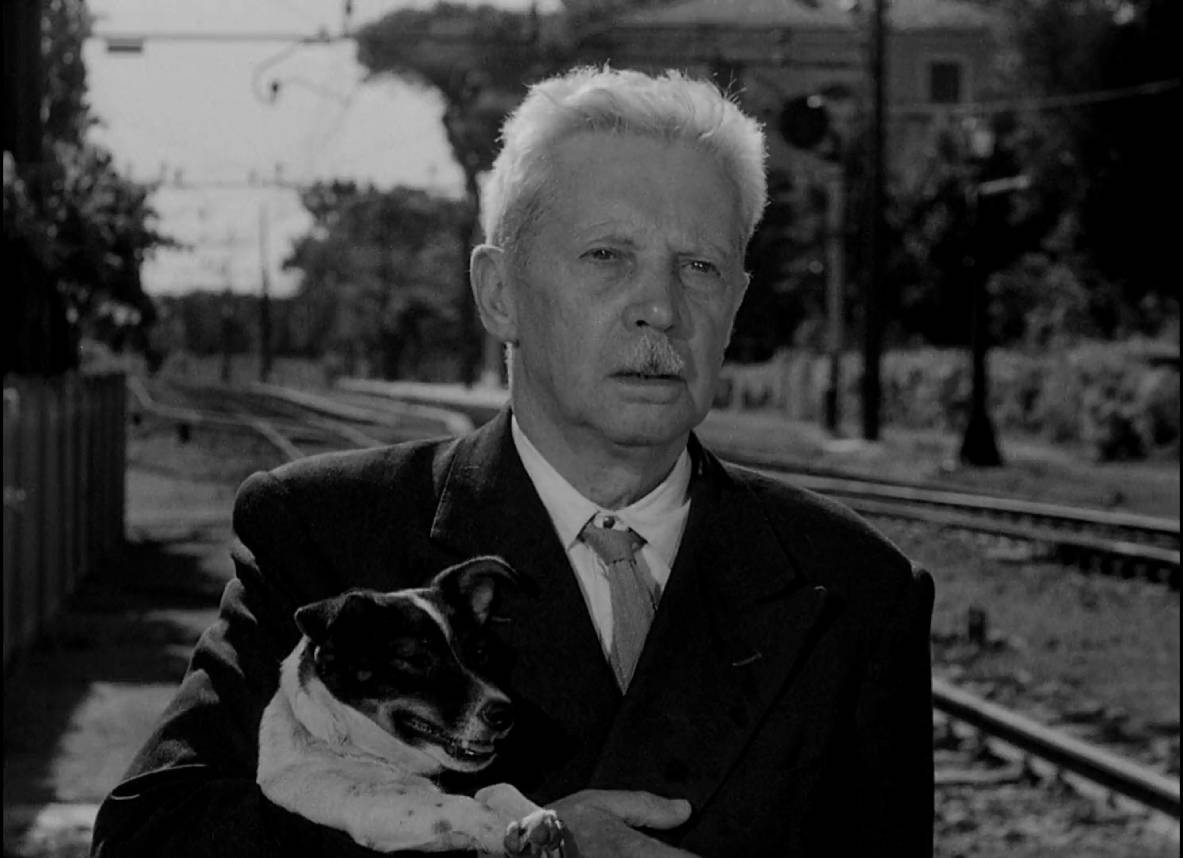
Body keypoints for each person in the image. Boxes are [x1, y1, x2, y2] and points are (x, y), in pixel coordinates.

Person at [92, 66, 934, 857]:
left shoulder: (855, 588)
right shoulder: (322, 533)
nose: (660, 308)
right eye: (607, 256)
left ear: (736, 304)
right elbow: (150, 835)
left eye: (699, 266)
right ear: (499, 294)